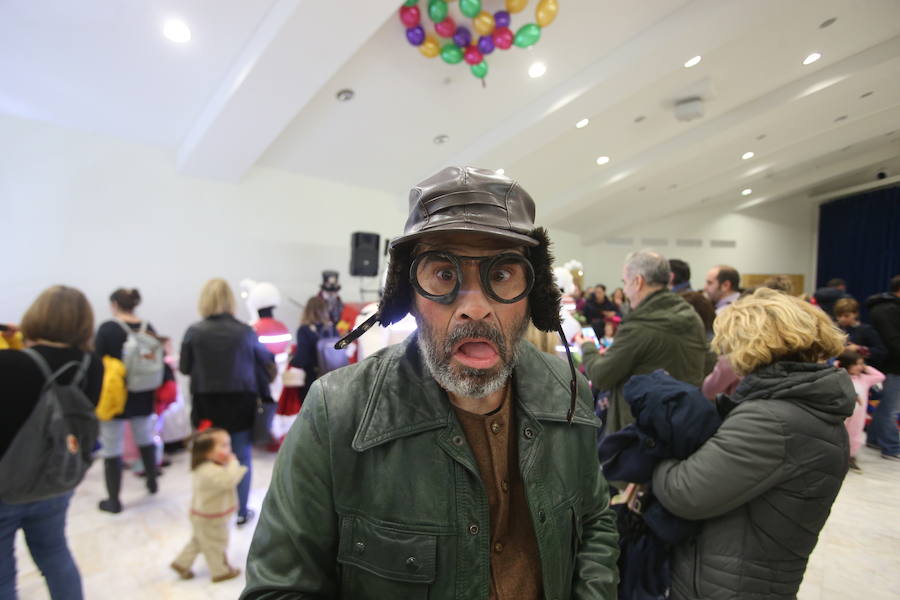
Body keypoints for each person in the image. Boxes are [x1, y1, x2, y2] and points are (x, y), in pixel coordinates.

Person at [242, 166, 619, 599]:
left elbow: (594, 524)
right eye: (444, 274)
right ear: (408, 295)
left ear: (534, 296)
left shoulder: (569, 391)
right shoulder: (336, 415)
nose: (475, 308)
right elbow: (278, 589)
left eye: (500, 275)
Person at [652, 288, 854, 599]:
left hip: (731, 586)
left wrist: (657, 458)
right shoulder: (806, 406)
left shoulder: (772, 420)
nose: (725, 354)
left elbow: (685, 491)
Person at [0, 286, 103, 600]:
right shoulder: (92, 366)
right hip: (59, 476)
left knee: (3, 576)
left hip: (7, 485)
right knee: (55, 555)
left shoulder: (11, 364)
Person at [576, 250, 712, 434]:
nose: (624, 290)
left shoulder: (640, 326)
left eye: (625, 282)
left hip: (642, 433)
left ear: (638, 281)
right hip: (684, 424)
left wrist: (588, 347)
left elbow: (601, 376)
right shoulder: (691, 316)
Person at [180, 278, 275, 525]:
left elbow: (184, 367)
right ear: (231, 301)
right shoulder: (246, 331)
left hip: (206, 405)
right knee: (241, 457)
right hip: (241, 403)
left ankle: (213, 511)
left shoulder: (194, 332)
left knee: (208, 458)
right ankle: (242, 511)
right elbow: (266, 360)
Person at [95, 288, 161, 513]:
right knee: (145, 437)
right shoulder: (147, 327)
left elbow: (97, 362)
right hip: (142, 391)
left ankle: (114, 500)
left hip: (115, 395)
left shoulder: (107, 329)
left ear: (114, 304)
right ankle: (152, 482)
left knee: (112, 446)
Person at [170, 428, 247, 583]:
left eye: (228, 445)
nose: (229, 450)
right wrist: (233, 462)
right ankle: (220, 572)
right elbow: (229, 480)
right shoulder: (209, 471)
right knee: (216, 544)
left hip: (202, 516)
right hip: (211, 518)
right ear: (207, 452)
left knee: (199, 541)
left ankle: (181, 563)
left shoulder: (209, 466)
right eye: (224, 446)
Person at [866, 274, 900, 460]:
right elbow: (893, 340)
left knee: (886, 405)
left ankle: (874, 439)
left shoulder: (889, 308)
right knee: (890, 408)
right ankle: (892, 447)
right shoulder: (887, 310)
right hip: (891, 365)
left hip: (891, 364)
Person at [836, 349, 885, 472]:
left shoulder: (863, 379)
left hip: (858, 415)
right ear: (847, 364)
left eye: (861, 364)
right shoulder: (838, 376)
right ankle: (836, 457)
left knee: (855, 435)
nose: (859, 367)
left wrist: (866, 367)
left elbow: (880, 376)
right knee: (838, 434)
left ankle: (850, 457)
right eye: (856, 364)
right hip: (841, 413)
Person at [834, 297, 887, 368]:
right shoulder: (835, 330)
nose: (842, 319)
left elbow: (881, 352)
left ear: (856, 314)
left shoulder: (866, 330)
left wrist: (859, 349)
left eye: (846, 316)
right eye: (839, 316)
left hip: (861, 371)